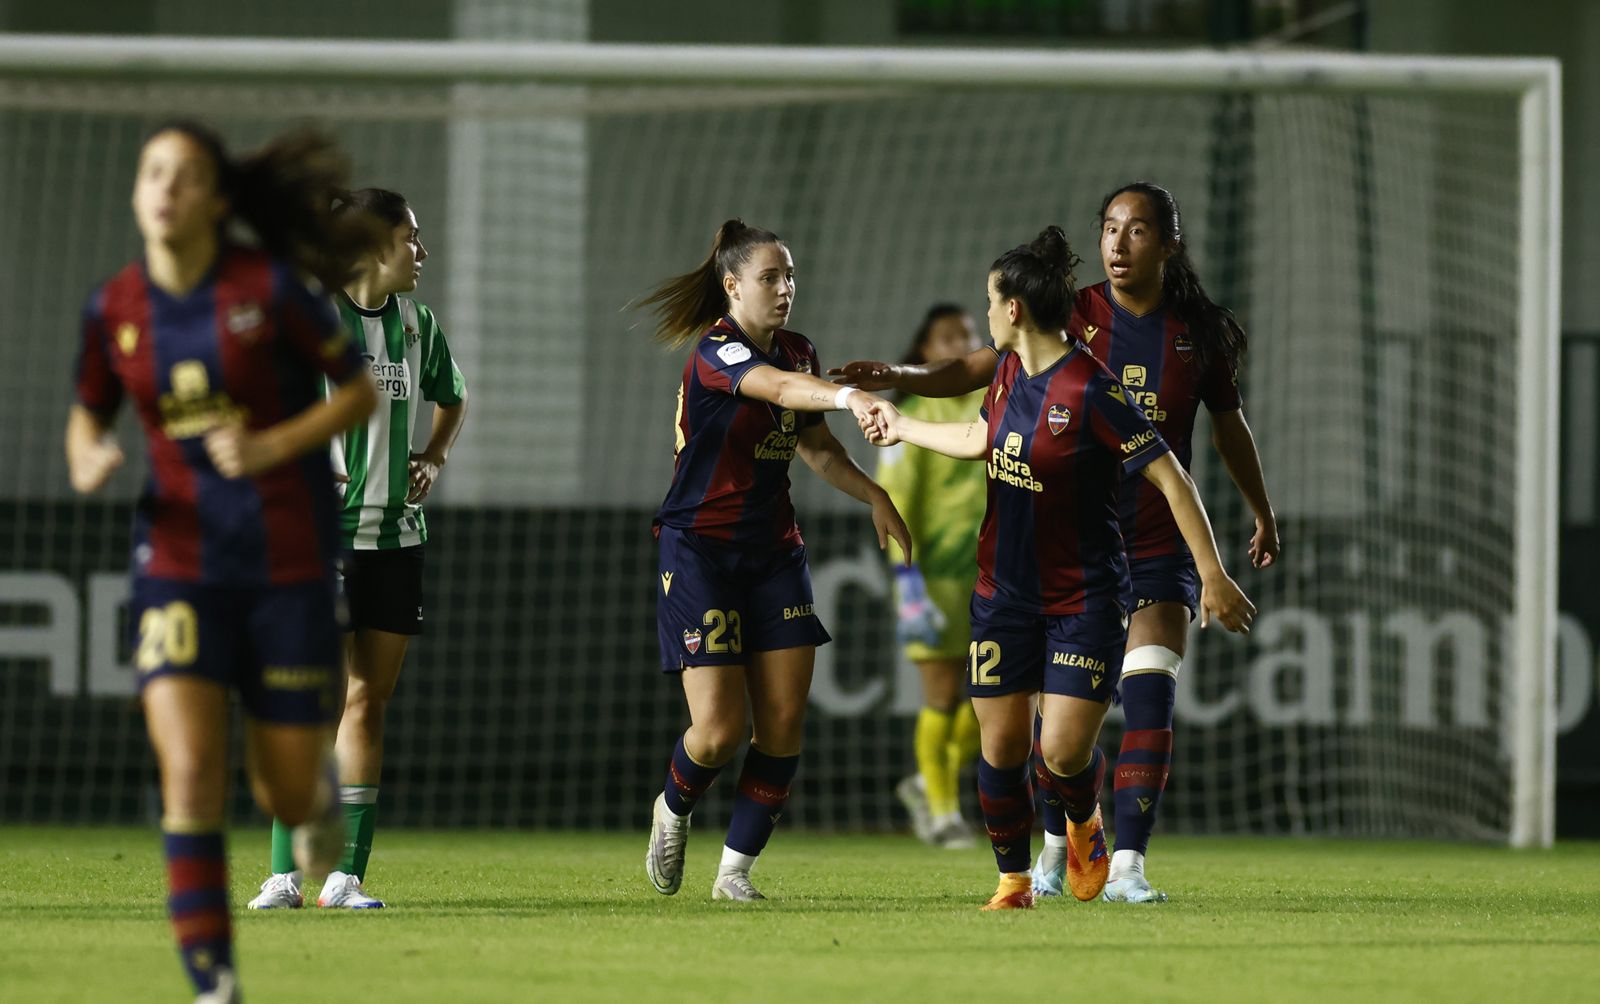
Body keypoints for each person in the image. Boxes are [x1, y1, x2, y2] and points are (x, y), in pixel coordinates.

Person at [834, 183, 1278, 902]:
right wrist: (905, 385)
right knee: (1039, 741)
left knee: (1145, 690)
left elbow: (1219, 436)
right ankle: (1049, 849)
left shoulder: (1190, 336)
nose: (1118, 243)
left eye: (1136, 231)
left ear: (1169, 243)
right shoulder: (1066, 316)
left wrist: (1248, 527)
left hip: (1151, 539)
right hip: (1046, 553)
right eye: (1109, 228)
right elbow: (984, 383)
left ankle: (1126, 865)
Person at [66, 122, 379, 1003]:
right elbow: (88, 412)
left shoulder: (269, 290)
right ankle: (215, 987)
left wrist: (274, 442)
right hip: (177, 560)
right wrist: (89, 454)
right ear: (137, 192)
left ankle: (313, 796)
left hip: (285, 565)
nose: (166, 186)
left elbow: (355, 392)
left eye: (188, 175)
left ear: (216, 201)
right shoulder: (114, 308)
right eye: (153, 170)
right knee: (190, 773)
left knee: (283, 790)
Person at [638, 218, 913, 902]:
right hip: (699, 548)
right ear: (732, 286)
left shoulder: (798, 347)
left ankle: (734, 873)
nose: (785, 287)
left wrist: (874, 493)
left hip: (774, 554)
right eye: (770, 277)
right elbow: (787, 391)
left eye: (789, 275)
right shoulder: (717, 352)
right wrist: (850, 394)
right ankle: (672, 808)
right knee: (720, 730)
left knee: (784, 722)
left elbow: (814, 448)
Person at [249, 189, 469, 911]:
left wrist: (434, 454)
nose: (422, 253)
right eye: (413, 238)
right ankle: (285, 873)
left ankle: (345, 874)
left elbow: (452, 397)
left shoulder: (418, 324)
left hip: (396, 540)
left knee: (367, 705)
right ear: (376, 245)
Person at [875, 304, 987, 849]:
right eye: (946, 336)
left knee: (1004, 700)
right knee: (942, 695)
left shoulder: (996, 399)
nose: (959, 342)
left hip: (996, 574)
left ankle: (926, 781)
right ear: (923, 351)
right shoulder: (912, 413)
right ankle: (943, 815)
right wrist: (909, 583)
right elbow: (897, 504)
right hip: (935, 577)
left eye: (966, 333)